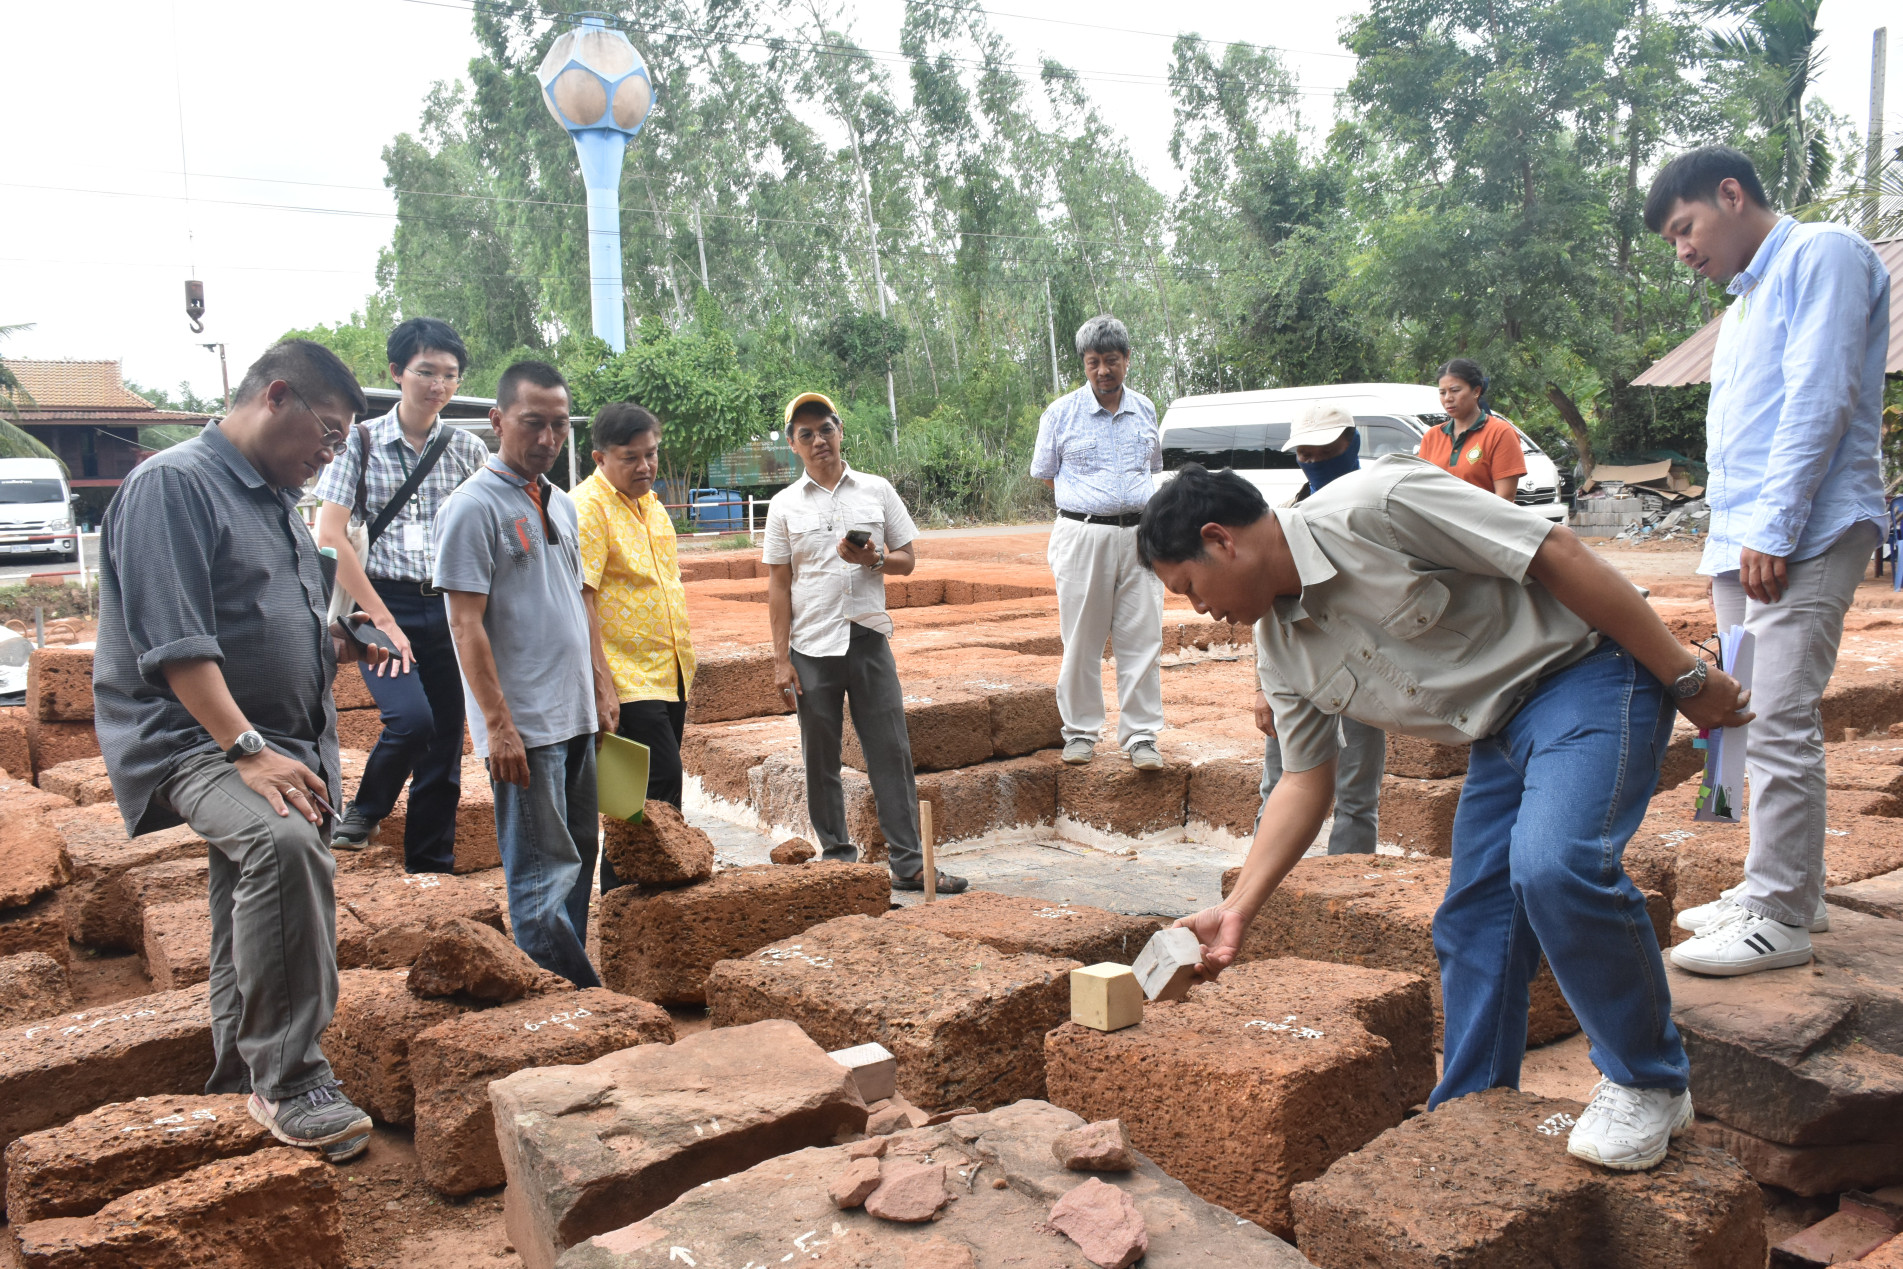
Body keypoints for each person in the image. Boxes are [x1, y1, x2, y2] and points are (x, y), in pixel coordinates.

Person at [1141, 459, 1751, 1171]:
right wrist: (1238, 907)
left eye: (1186, 587)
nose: (1196, 608)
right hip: (1498, 733)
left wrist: (1681, 673)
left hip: (1588, 673)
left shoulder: (1379, 505)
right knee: (1473, 924)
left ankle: (1648, 1079)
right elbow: (1305, 783)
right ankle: (1470, 1109)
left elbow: (1555, 552)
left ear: (1220, 540)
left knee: (1554, 865)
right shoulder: (1280, 649)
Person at [94, 339, 388, 1161]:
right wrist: (249, 748)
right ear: (277, 395)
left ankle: (238, 1073)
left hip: (269, 739)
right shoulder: (174, 484)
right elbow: (178, 646)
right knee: (280, 839)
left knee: (246, 895)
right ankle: (290, 1078)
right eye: (325, 436)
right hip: (195, 738)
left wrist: (337, 638)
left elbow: (267, 614)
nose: (326, 457)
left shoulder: (271, 500)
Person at [1645, 145, 1890, 976]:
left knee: (1779, 714)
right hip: (1744, 533)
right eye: (1672, 239)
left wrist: (1774, 530)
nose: (1682, 249)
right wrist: (1738, 532)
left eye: (1685, 227)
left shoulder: (1821, 253)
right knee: (1739, 713)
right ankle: (1784, 888)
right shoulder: (1745, 298)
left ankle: (1779, 911)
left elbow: (1820, 396)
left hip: (1801, 530)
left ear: (1730, 193)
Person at [435, 361, 609, 986]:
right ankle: (569, 1006)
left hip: (574, 717)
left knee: (577, 860)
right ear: (498, 420)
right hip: (525, 728)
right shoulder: (471, 508)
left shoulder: (560, 504)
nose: (547, 438)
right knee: (541, 876)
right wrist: (497, 726)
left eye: (559, 425)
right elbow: (465, 625)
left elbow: (575, 601)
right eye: (533, 424)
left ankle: (567, 993)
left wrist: (599, 683)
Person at [764, 392, 965, 894]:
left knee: (890, 752)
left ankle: (909, 863)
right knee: (821, 758)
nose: (818, 441)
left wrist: (872, 560)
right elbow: (779, 585)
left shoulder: (875, 490)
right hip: (811, 648)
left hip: (869, 640)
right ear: (793, 444)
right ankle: (837, 861)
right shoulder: (784, 505)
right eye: (805, 434)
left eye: (825, 429)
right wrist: (779, 660)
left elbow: (908, 560)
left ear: (840, 431)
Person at [314, 317, 490, 868]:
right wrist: (383, 619)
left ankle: (430, 865)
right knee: (412, 721)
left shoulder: (466, 450)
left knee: (445, 746)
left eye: (450, 375)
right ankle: (365, 811)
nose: (438, 384)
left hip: (447, 604)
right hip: (376, 606)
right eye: (426, 371)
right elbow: (330, 535)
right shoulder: (358, 445)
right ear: (396, 372)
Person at [1030, 315, 1166, 770]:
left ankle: (1141, 736)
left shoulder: (1145, 409)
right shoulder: (1060, 413)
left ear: (1127, 360)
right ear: (1084, 364)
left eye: (1111, 361)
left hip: (1141, 536)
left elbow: (1151, 469)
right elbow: (1047, 477)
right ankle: (1081, 732)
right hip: (1082, 534)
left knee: (1142, 636)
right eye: (1094, 362)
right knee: (1081, 640)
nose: (1103, 371)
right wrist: (1093, 509)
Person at [1253, 402, 1386, 855]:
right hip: (1297, 673)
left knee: (1356, 797)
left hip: (1362, 676)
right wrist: (1261, 688)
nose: (1312, 461)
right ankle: (1263, 893)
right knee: (1279, 782)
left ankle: (1347, 894)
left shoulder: (1379, 512)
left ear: (1352, 444)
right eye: (1304, 453)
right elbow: (1264, 610)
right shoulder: (1285, 517)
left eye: (1323, 449)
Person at [575, 400, 696, 892]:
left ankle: (630, 896)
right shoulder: (588, 507)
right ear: (599, 457)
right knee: (658, 783)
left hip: (669, 672)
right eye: (631, 457)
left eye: (651, 454)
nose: (645, 466)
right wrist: (603, 686)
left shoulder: (652, 505)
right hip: (625, 678)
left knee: (633, 793)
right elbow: (581, 597)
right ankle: (635, 893)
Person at [1415, 359, 1526, 501]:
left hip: (1484, 521)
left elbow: (1505, 497)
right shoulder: (1432, 436)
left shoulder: (1500, 432)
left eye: (1455, 390)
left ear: (1476, 391)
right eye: (1442, 393)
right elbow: (1421, 491)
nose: (1448, 398)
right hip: (1438, 522)